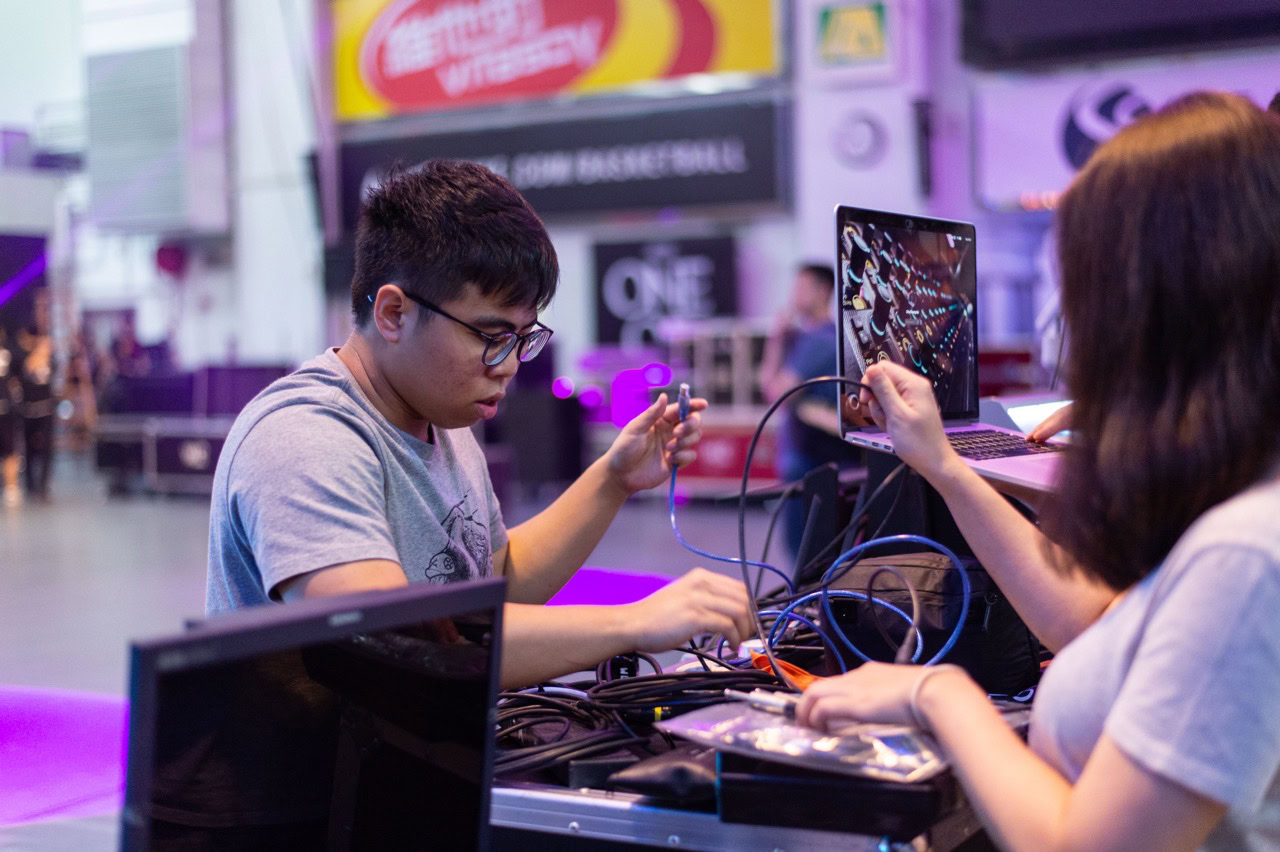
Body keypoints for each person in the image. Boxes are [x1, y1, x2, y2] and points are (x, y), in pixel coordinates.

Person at [802, 92, 1280, 850]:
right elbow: (1096, 624)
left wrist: (937, 694)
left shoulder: (1247, 556)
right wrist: (944, 466)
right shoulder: (1246, 501)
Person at [207, 160, 754, 691]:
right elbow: (391, 645)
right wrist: (632, 621)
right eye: (492, 337)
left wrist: (612, 479)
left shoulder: (439, 417)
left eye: (521, 339)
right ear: (394, 314)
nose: (510, 364)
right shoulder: (304, 439)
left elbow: (494, 584)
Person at [758, 263, 854, 556]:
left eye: (801, 287)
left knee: (805, 551)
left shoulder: (819, 341)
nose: (793, 294)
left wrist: (776, 339)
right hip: (811, 459)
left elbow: (775, 392)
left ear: (823, 291)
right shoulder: (808, 337)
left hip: (813, 461)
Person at [0, 327, 21, 507]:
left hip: (6, 410)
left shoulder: (9, 354)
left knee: (10, 449)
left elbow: (17, 380)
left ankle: (11, 486)